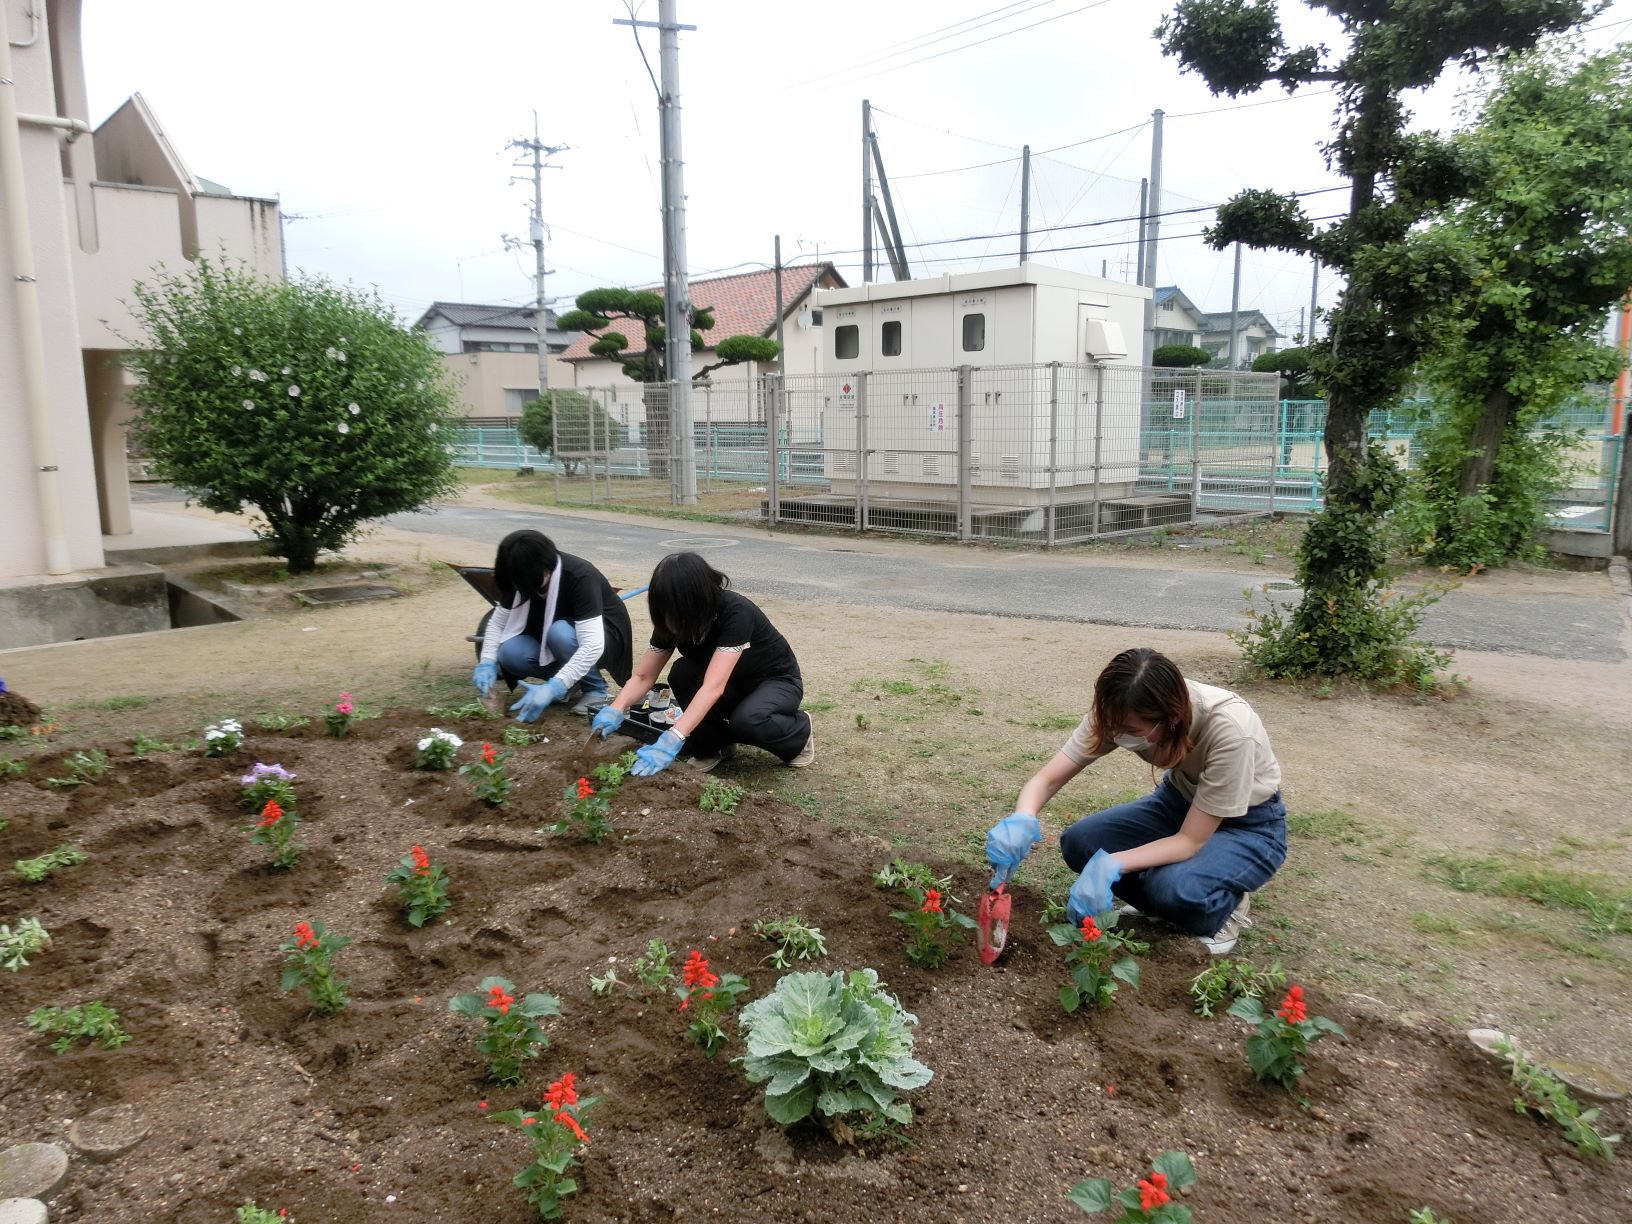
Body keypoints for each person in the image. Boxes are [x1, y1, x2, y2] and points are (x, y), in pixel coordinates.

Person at [985, 647, 1286, 956]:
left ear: (1171, 719)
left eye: (1130, 731)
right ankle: (1163, 904)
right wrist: (1023, 817)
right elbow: (1046, 779)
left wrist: (1111, 864)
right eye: (1111, 726)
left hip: (1248, 825)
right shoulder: (1118, 709)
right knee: (1080, 843)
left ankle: (1225, 907)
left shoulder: (1231, 730)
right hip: (1178, 803)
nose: (1116, 735)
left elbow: (1189, 840)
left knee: (1172, 888)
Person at [589, 551, 814, 776]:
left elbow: (712, 687)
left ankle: (799, 734)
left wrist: (673, 737)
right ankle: (713, 746)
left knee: (748, 721)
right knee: (682, 673)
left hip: (774, 682)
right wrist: (616, 708)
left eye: (674, 611)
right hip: (730, 683)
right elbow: (643, 676)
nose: (669, 621)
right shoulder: (671, 619)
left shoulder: (735, 612)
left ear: (696, 600)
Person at [471, 530, 633, 721]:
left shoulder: (579, 576)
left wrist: (554, 687)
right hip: (556, 637)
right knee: (509, 652)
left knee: (559, 632)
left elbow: (592, 645)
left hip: (606, 636)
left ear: (544, 571)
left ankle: (596, 689)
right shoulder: (519, 575)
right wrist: (487, 662)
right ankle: (571, 680)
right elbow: (498, 622)